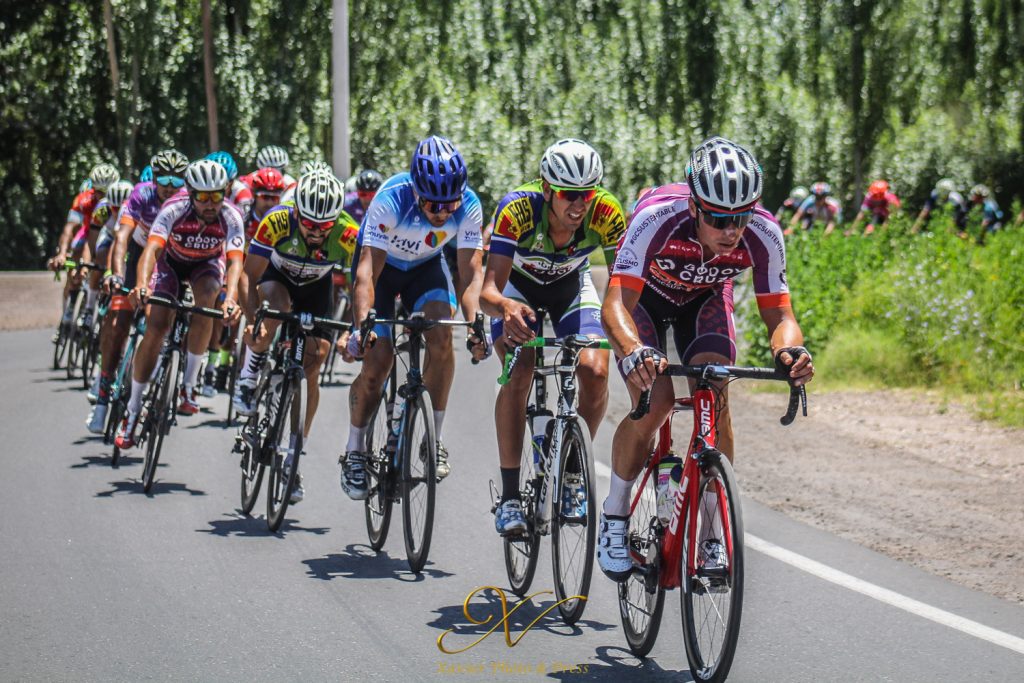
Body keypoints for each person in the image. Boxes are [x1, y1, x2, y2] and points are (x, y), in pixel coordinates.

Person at [596, 136, 814, 581]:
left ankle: (713, 531)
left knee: (715, 392)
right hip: (645, 302)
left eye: (740, 218)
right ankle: (615, 515)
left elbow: (780, 313)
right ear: (695, 206)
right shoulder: (657, 216)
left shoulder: (765, 232)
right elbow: (615, 305)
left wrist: (790, 350)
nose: (731, 230)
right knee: (655, 402)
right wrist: (634, 351)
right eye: (717, 218)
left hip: (705, 301)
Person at [481, 139, 625, 534]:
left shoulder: (608, 213)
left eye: (586, 195)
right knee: (519, 371)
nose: (579, 206)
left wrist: (629, 335)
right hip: (518, 289)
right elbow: (488, 291)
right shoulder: (518, 209)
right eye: (568, 196)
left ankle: (574, 473)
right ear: (547, 189)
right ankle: (510, 497)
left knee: (595, 371)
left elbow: (624, 288)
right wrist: (506, 309)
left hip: (570, 286)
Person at [339, 135, 487, 499]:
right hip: (383, 272)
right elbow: (366, 275)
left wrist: (476, 323)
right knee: (377, 364)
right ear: (416, 190)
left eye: (449, 202)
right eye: (433, 203)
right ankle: (355, 449)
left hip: (425, 268)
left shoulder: (467, 205)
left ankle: (432, 439)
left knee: (441, 339)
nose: (441, 212)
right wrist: (362, 328)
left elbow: (470, 276)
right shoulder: (391, 198)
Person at [231, 170, 359, 503]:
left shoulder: (348, 233)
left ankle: (292, 456)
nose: (316, 233)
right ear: (296, 213)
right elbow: (248, 275)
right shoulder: (276, 222)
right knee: (275, 306)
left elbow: (365, 282)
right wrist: (252, 320)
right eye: (309, 225)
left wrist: (358, 329)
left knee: (315, 363)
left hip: (317, 286)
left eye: (324, 227)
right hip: (278, 277)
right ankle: (251, 371)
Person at [114, 159, 244, 449]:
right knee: (157, 326)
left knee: (209, 296)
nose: (210, 204)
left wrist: (231, 298)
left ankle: (188, 386)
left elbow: (236, 262)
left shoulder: (232, 216)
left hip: (206, 266)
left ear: (226, 191)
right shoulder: (173, 207)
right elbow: (151, 249)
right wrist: (141, 285)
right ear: (190, 192)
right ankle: (133, 411)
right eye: (202, 197)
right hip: (170, 264)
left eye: (216, 196)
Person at [87, 151, 190, 432]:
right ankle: (103, 397)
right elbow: (120, 237)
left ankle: (153, 386)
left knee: (159, 324)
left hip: (167, 262)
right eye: (163, 179)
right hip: (137, 255)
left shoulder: (186, 202)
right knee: (118, 323)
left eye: (176, 180)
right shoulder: (140, 195)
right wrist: (115, 274)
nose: (169, 186)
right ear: (153, 178)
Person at [49, 163, 121, 329]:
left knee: (101, 263)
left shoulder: (118, 201)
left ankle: (93, 307)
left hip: (108, 235)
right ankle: (70, 303)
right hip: (87, 231)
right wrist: (62, 253)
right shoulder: (84, 200)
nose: (101, 196)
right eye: (98, 191)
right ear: (92, 188)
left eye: (106, 192)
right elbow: (70, 228)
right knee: (77, 252)